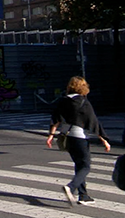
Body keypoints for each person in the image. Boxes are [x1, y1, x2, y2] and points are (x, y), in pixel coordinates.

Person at [47, 76, 110, 206]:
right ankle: (71, 187)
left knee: (78, 164)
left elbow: (55, 118)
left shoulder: (63, 100)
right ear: (83, 87)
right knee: (86, 165)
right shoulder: (83, 102)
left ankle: (83, 195)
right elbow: (94, 122)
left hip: (66, 137)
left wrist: (51, 135)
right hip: (79, 137)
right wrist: (104, 139)